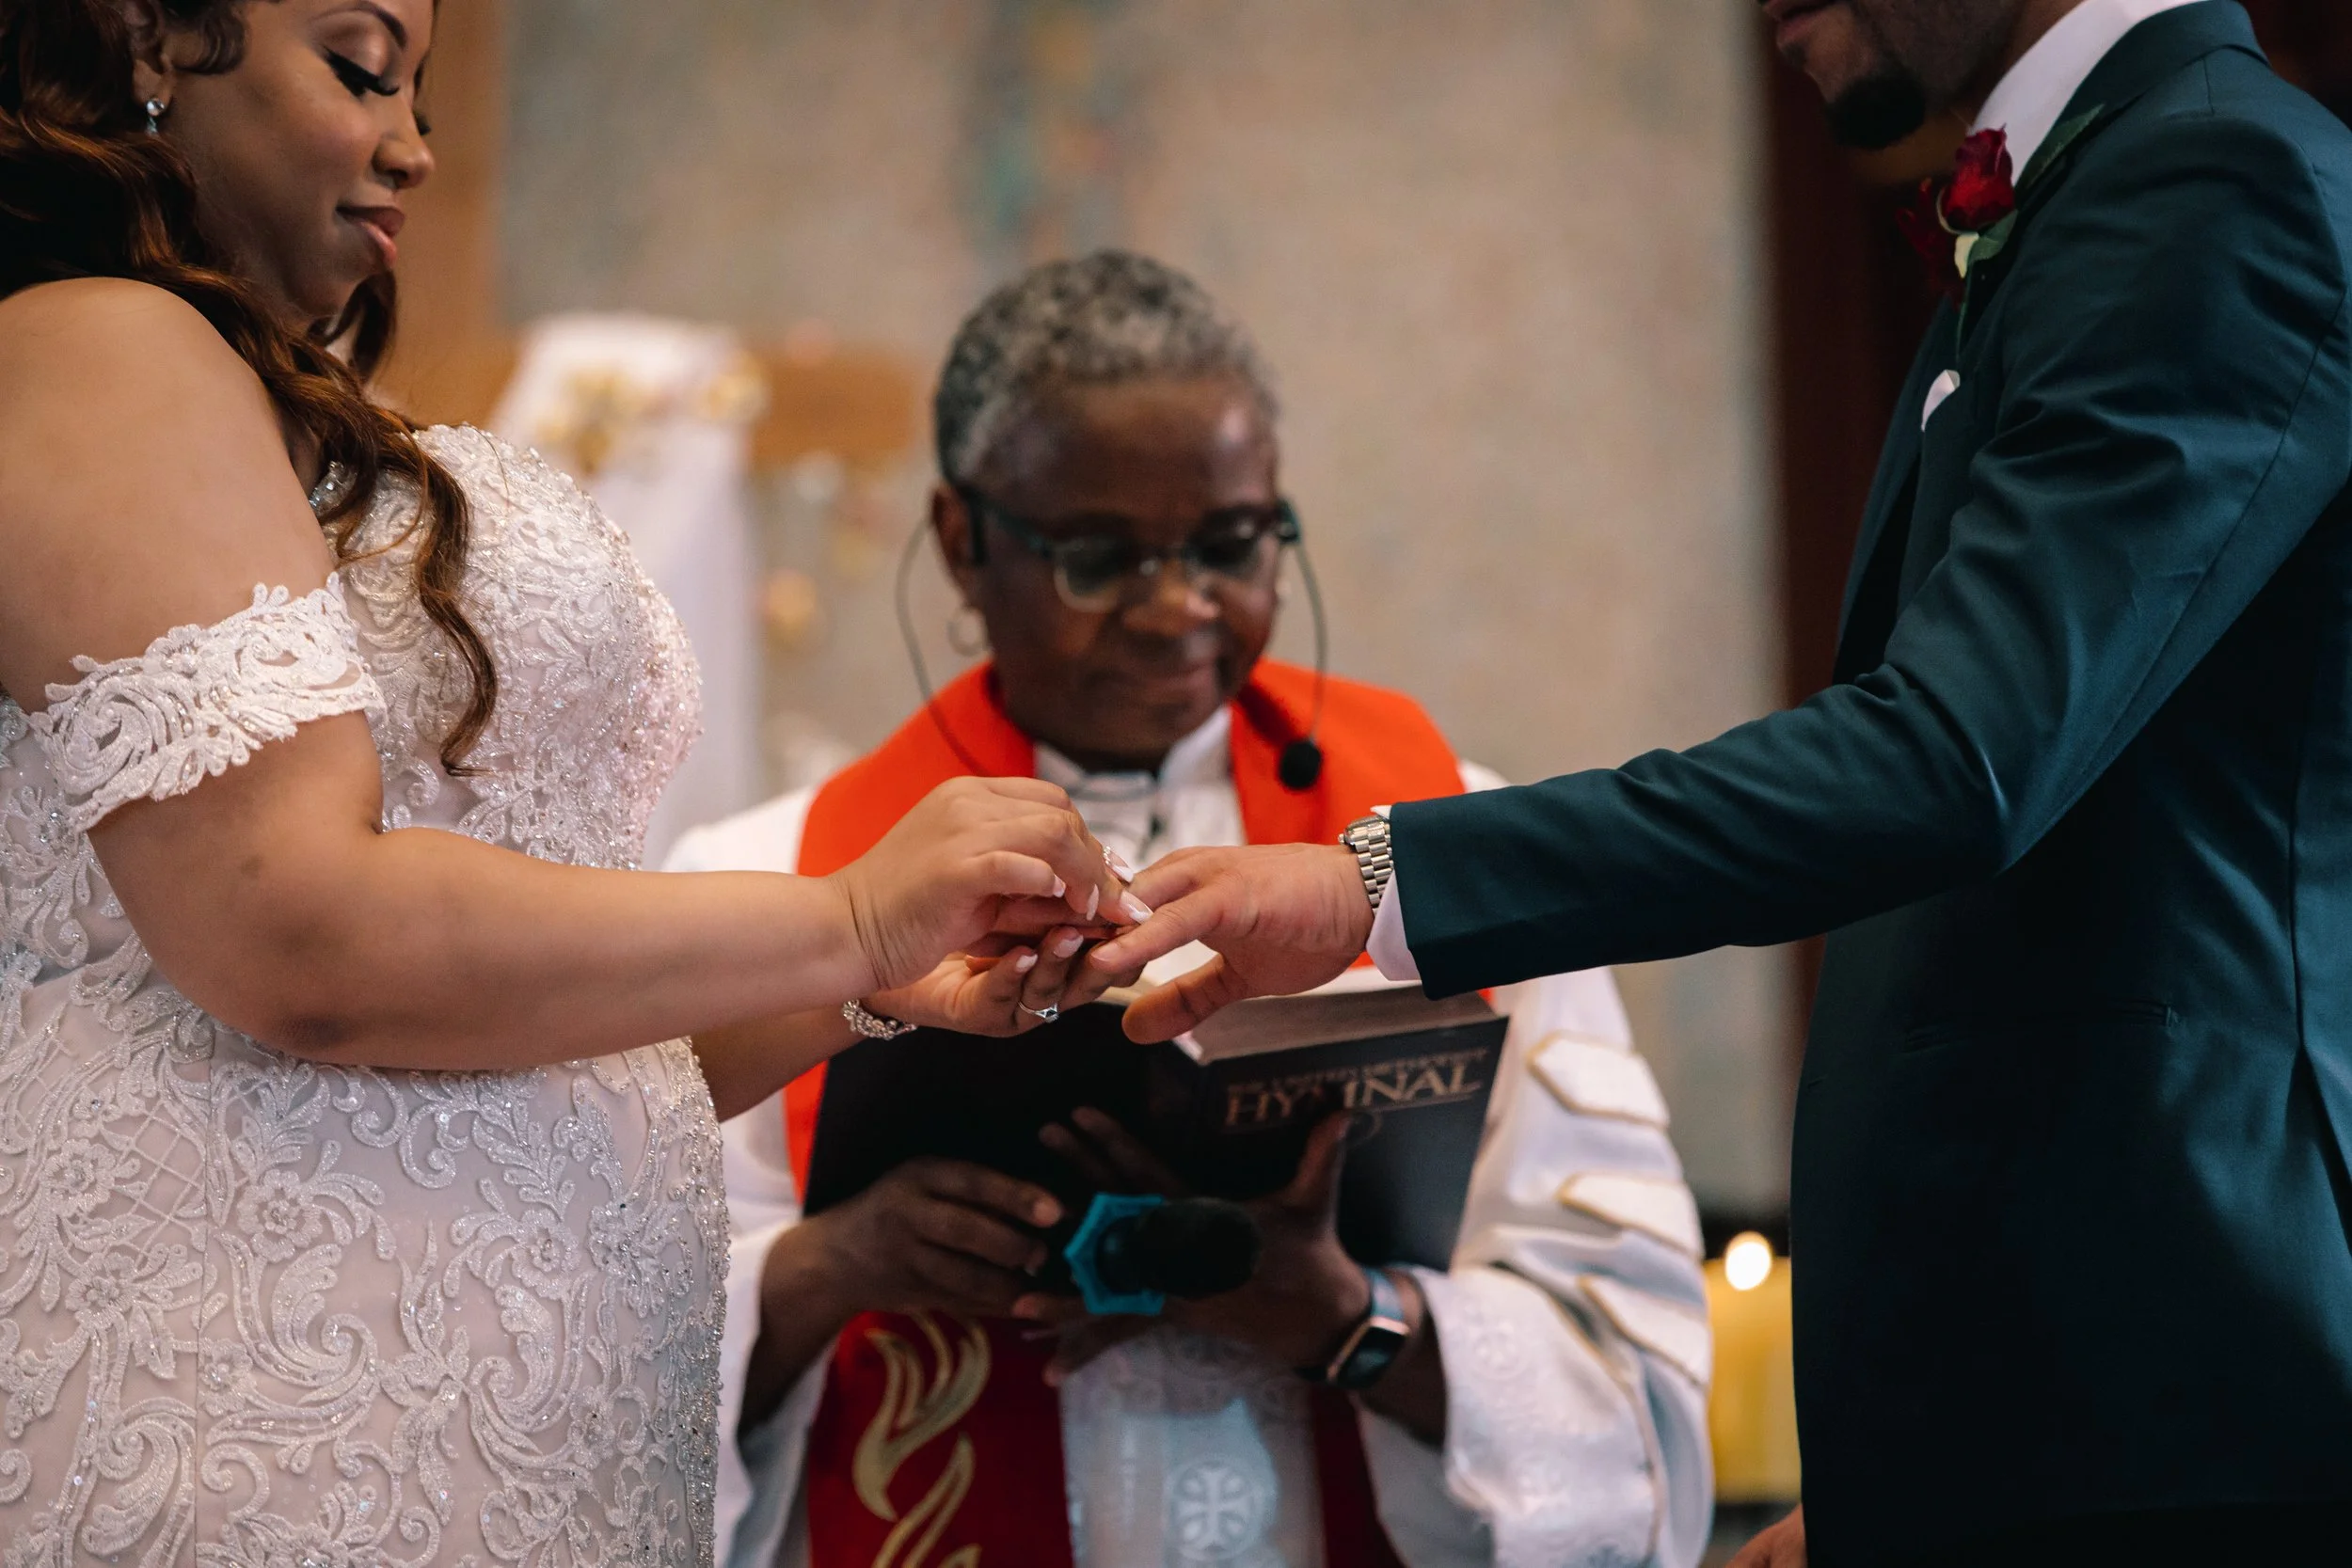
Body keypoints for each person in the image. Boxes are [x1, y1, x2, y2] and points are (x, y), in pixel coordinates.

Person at [1089, 3, 2352, 1564]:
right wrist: (1910, 1473)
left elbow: (1952, 757)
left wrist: (1372, 883)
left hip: (2186, 1394)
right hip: (2068, 1409)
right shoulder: (2109, 188)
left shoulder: (2216, 177)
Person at [0, 6, 1137, 1564]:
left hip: (512, 1437)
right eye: (360, 66)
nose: (415, 146)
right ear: (148, 34)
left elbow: (531, 1051)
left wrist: (865, 985)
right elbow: (296, 928)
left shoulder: (264, 418)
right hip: (268, 1420)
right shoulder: (92, 344)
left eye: (421, 89)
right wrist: (849, 913)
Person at [668, 252, 1712, 1568]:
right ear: (963, 540)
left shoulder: (1459, 853)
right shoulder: (775, 880)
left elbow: (1632, 1379)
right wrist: (831, 1268)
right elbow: (587, 1360)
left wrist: (1347, 1313)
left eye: (1230, 545)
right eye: (1100, 558)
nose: (1179, 610)